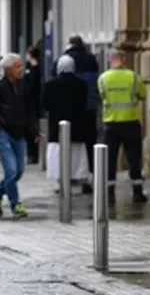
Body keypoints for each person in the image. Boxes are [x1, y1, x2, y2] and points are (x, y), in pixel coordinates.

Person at [0, 53, 41, 218]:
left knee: (19, 170)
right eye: (17, 66)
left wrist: (34, 130)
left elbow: (30, 109)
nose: (21, 69)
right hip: (3, 132)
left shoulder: (23, 85)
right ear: (8, 69)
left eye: (21, 66)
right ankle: (15, 204)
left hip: (19, 132)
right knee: (11, 169)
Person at [98, 50, 148, 203]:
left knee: (110, 159)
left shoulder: (103, 78)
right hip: (130, 123)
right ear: (124, 59)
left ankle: (110, 192)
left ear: (109, 59)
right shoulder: (133, 76)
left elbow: (102, 97)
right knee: (134, 158)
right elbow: (143, 95)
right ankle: (137, 192)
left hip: (110, 124)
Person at [41, 56, 90, 191]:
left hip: (57, 124)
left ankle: (59, 180)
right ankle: (80, 177)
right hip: (78, 125)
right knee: (78, 153)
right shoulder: (82, 84)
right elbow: (84, 103)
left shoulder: (51, 84)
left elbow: (45, 104)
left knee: (57, 154)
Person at [62, 35, 101, 187]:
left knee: (69, 142)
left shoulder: (65, 59)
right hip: (89, 107)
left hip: (71, 108)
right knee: (90, 142)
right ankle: (90, 174)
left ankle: (69, 174)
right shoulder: (90, 58)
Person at [24, 46, 43, 164]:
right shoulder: (30, 68)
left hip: (32, 103)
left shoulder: (35, 69)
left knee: (32, 129)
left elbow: (32, 86)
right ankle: (31, 153)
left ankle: (33, 154)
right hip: (29, 102)